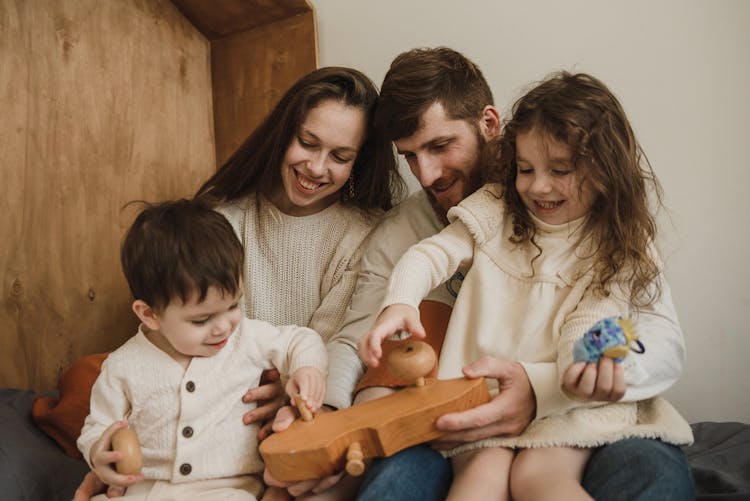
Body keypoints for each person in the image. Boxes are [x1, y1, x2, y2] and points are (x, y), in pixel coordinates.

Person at [344, 47, 694, 500]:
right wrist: (399, 304)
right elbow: (367, 325)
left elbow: (625, 329)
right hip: (466, 407)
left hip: (571, 408)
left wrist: (554, 382)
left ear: (490, 126)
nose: (425, 174)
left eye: (440, 146)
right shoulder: (469, 217)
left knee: (646, 473)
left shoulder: (613, 239)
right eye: (409, 156)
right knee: (410, 484)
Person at [73, 66, 404, 500]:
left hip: (296, 404)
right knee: (87, 381)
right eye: (307, 143)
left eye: (340, 157)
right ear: (283, 133)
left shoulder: (364, 235)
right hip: (218, 393)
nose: (316, 167)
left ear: (359, 161)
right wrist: (105, 451)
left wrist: (291, 389)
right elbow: (195, 330)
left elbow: (331, 344)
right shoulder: (223, 217)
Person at [77, 198, 328, 500]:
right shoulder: (123, 366)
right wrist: (99, 452)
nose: (223, 326)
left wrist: (307, 369)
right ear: (149, 314)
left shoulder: (247, 339)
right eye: (202, 319)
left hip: (228, 490)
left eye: (233, 304)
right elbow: (97, 426)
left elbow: (300, 340)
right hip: (145, 490)